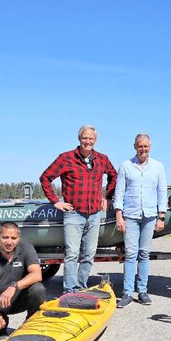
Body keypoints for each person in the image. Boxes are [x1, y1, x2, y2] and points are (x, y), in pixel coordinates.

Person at [40, 125, 117, 294]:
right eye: (85, 138)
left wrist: (108, 197)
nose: (88, 141)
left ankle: (81, 287)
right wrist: (55, 201)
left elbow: (114, 176)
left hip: (95, 214)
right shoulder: (66, 158)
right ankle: (69, 290)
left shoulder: (102, 159)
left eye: (91, 138)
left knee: (89, 255)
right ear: (79, 139)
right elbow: (45, 177)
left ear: (95, 140)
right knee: (72, 254)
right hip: (74, 214)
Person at [113, 134, 167, 308]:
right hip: (131, 215)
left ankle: (142, 291)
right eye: (139, 146)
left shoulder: (158, 167)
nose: (143, 149)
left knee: (144, 254)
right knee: (130, 254)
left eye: (145, 146)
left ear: (150, 146)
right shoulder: (126, 166)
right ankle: (127, 293)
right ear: (134, 147)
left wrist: (161, 216)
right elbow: (119, 192)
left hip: (150, 216)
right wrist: (119, 215)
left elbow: (162, 193)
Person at [0, 222, 47, 338]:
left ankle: (30, 325)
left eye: (13, 238)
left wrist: (13, 286)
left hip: (19, 295)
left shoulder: (26, 248)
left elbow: (37, 274)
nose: (9, 242)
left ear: (18, 238)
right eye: (5, 237)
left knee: (38, 289)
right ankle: (1, 327)